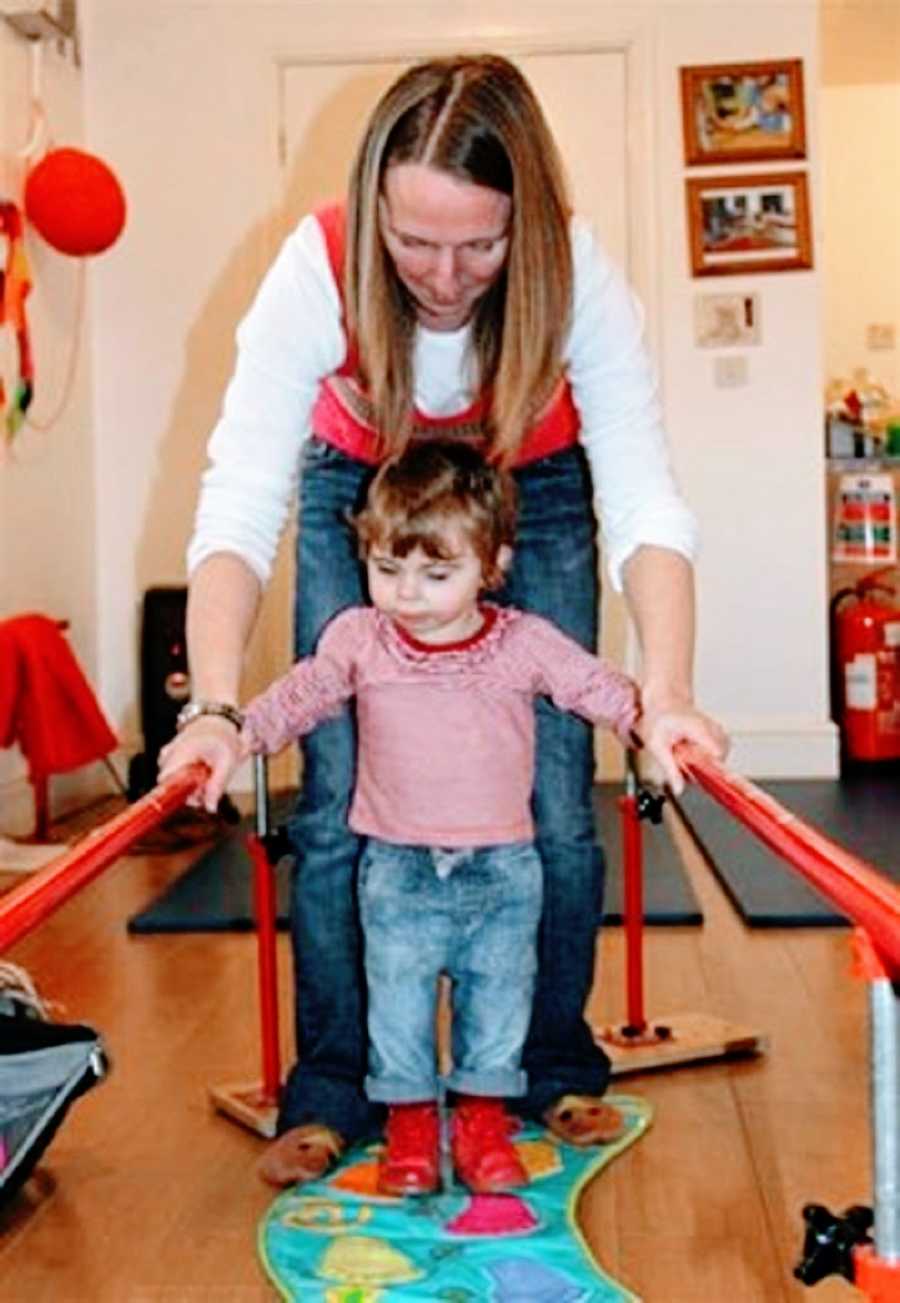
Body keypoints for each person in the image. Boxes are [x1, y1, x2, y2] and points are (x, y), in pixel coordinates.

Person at [158, 52, 727, 1188]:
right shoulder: (316, 269)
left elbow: (646, 494)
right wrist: (217, 707)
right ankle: (337, 1085)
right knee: (335, 809)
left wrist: (664, 692)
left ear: (529, 223)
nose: (445, 275)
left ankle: (547, 1067)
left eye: (481, 243)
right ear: (374, 207)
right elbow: (240, 497)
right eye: (415, 241)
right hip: (356, 484)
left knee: (558, 807)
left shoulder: (579, 282)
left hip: (542, 481)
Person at [234, 441, 640, 1196]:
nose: (407, 593)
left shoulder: (522, 642)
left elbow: (591, 684)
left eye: (436, 572)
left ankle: (482, 1122)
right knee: (397, 1007)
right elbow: (303, 693)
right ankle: (412, 1128)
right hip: (397, 871)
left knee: (498, 1004)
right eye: (387, 569)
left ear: (494, 565)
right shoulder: (360, 637)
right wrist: (234, 730)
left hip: (503, 872)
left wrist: (650, 719)